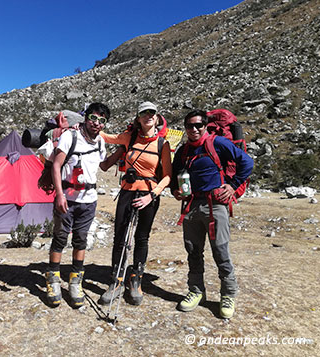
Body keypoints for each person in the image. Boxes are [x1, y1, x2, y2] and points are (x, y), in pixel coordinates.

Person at [170, 109, 254, 319]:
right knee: (193, 250)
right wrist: (175, 191)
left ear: (206, 126)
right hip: (190, 205)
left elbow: (247, 162)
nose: (194, 129)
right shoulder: (183, 151)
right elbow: (174, 176)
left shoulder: (218, 143)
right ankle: (196, 290)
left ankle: (228, 294)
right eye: (190, 126)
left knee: (220, 251)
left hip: (215, 204)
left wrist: (233, 185)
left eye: (199, 125)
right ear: (185, 128)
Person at [98, 101, 172, 306]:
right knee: (120, 236)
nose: (148, 115)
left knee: (142, 238)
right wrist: (83, 126)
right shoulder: (129, 137)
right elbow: (105, 136)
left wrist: (152, 195)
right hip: (127, 192)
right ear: (138, 118)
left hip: (149, 195)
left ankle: (136, 279)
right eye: (144, 113)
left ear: (157, 118)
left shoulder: (162, 144)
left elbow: (167, 176)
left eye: (152, 113)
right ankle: (116, 280)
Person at [45, 102, 109, 308]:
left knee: (81, 240)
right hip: (68, 199)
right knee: (60, 237)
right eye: (93, 118)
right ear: (86, 117)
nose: (96, 123)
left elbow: (104, 165)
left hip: (89, 200)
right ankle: (53, 280)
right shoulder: (70, 137)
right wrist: (60, 195)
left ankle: (75, 282)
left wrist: (124, 150)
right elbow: (56, 165)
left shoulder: (100, 142)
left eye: (102, 120)